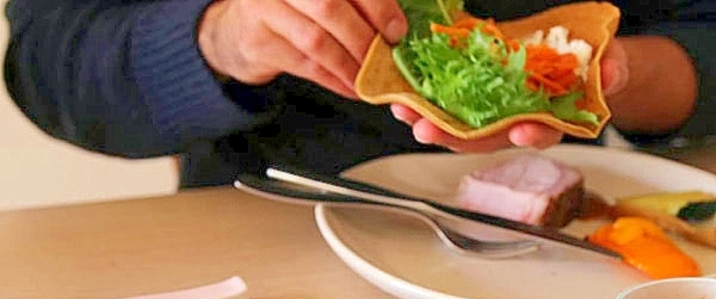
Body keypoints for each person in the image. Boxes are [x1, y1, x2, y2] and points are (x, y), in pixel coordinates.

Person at [3, 0, 712, 190]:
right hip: (267, 238)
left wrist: (607, 73)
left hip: (573, 246)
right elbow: (50, 64)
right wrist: (223, 37)